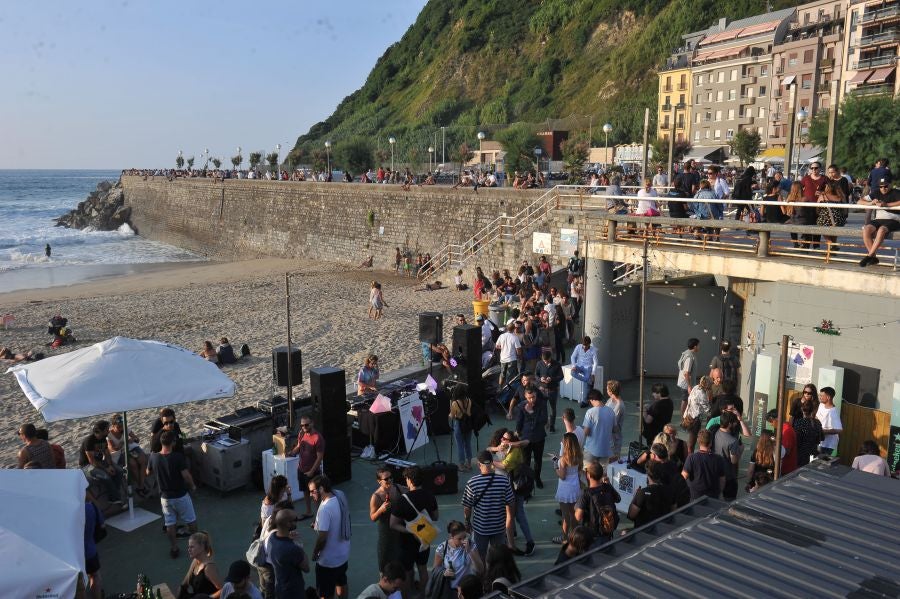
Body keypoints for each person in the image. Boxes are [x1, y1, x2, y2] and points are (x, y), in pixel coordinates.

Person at [147, 430, 198, 558]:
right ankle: (197, 546)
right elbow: (186, 475)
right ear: (173, 442)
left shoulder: (153, 456)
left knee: (170, 524)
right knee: (191, 521)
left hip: (165, 498)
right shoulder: (178, 457)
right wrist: (192, 485)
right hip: (180, 495)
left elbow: (148, 472)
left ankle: (174, 548)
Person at [390, 466, 439, 595]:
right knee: (423, 569)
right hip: (424, 539)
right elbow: (435, 517)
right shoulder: (430, 495)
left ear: (410, 480)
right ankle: (423, 595)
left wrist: (411, 530)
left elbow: (393, 524)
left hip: (406, 544)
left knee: (406, 572)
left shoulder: (402, 500)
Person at [461, 451, 515, 561]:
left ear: (478, 464)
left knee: (480, 557)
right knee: (499, 558)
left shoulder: (472, 483)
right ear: (492, 463)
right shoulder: (504, 481)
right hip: (499, 528)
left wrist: (467, 521)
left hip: (481, 529)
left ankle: (484, 576)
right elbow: (511, 505)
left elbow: (467, 507)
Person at [309, 475, 352, 599]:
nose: (311, 494)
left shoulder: (325, 509)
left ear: (321, 488)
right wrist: (318, 525)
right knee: (341, 582)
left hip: (328, 561)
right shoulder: (339, 495)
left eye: (312, 491)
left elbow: (322, 538)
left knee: (325, 594)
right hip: (342, 555)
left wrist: (315, 553)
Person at [432, 521, 484, 599]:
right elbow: (434, 571)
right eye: (459, 539)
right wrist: (444, 573)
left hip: (468, 589)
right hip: (451, 590)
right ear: (451, 537)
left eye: (464, 537)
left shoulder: (471, 545)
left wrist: (469, 551)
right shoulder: (442, 548)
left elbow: (481, 569)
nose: (463, 541)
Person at [268, 508, 310, 599]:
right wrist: (299, 545)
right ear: (288, 524)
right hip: (293, 592)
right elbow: (306, 568)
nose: (297, 521)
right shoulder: (292, 549)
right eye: (295, 520)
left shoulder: (272, 538)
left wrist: (289, 539)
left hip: (280, 588)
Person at [857, 178, 900, 267]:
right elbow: (859, 201)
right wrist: (871, 203)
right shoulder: (876, 192)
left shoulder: (896, 192)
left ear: (890, 185)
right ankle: (873, 257)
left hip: (894, 220)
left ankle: (869, 256)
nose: (883, 188)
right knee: (866, 229)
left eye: (885, 186)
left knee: (881, 230)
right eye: (881, 186)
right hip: (878, 219)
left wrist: (886, 205)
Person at [79, 420, 124, 504]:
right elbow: (91, 461)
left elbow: (107, 454)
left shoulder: (103, 438)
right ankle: (116, 498)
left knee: (120, 471)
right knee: (106, 477)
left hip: (100, 462)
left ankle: (114, 496)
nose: (108, 431)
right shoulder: (89, 441)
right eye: (107, 429)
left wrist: (110, 465)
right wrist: (106, 468)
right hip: (87, 466)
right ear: (100, 431)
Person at [574, 461, 620, 542]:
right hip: (607, 530)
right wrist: (609, 484)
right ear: (602, 475)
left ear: (588, 475)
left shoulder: (586, 493)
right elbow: (618, 499)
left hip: (592, 534)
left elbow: (578, 516)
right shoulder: (607, 487)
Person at [289, 416, 325, 519]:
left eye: (306, 425)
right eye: (302, 425)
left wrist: (311, 471)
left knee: (316, 496)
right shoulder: (302, 433)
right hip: (301, 469)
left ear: (312, 423)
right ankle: (309, 512)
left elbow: (319, 458)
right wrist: (291, 453)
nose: (304, 427)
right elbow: (299, 446)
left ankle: (319, 518)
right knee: (305, 491)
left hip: (313, 472)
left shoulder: (318, 438)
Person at [369, 468, 404, 573]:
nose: (390, 480)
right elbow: (372, 517)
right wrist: (381, 510)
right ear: (379, 481)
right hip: (386, 533)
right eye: (386, 479)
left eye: (391, 477)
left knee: (400, 560)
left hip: (400, 530)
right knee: (385, 563)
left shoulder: (397, 488)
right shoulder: (376, 497)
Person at [513, 387, 548, 488]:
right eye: (529, 398)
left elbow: (544, 420)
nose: (531, 400)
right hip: (525, 438)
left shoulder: (542, 404)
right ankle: (528, 482)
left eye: (533, 397)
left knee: (538, 460)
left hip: (539, 437)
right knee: (526, 461)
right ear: (525, 396)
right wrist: (518, 433)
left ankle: (537, 478)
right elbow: (519, 422)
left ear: (536, 395)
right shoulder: (521, 406)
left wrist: (531, 412)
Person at [553, 432, 583, 545]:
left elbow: (562, 476)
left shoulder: (564, 459)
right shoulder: (579, 455)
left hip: (565, 489)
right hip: (575, 487)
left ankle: (565, 539)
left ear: (566, 444)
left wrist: (555, 464)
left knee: (565, 516)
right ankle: (575, 536)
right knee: (573, 513)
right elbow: (579, 471)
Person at [107, 414, 148, 495]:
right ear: (113, 426)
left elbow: (137, 439)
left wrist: (132, 439)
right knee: (133, 464)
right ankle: (141, 486)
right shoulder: (109, 434)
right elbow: (112, 448)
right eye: (118, 427)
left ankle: (141, 486)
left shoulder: (125, 429)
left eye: (122, 426)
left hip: (130, 447)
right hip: (120, 452)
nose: (121, 428)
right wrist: (121, 443)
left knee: (142, 460)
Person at [681, 429, 726, 500]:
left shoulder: (691, 458)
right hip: (712, 497)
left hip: (695, 497)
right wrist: (719, 492)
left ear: (698, 442)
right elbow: (722, 480)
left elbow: (684, 476)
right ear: (711, 443)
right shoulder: (718, 459)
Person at [627, 461, 673, 528]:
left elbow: (631, 515)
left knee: (624, 532)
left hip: (644, 533)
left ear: (648, 475)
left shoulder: (642, 493)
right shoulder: (669, 490)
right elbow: (673, 510)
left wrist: (635, 497)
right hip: (664, 530)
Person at [180, 532, 223, 598]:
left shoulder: (209, 568)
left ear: (202, 547)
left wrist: (209, 598)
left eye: (192, 547)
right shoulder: (195, 561)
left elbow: (223, 589)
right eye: (188, 547)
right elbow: (185, 583)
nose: (189, 550)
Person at [582, 389, 617, 468]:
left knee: (587, 473)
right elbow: (615, 430)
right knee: (603, 475)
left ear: (592, 399)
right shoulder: (611, 411)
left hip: (591, 449)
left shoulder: (590, 412)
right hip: (605, 449)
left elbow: (586, 431)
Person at [714, 410, 745, 501]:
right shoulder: (732, 441)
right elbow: (734, 461)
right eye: (734, 422)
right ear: (729, 424)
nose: (736, 424)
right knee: (730, 502)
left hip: (717, 472)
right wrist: (741, 449)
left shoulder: (717, 432)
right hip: (729, 476)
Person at [535, 350, 563, 432]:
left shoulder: (557, 364)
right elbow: (536, 374)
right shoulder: (539, 363)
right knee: (541, 408)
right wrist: (540, 379)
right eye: (544, 361)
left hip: (552, 390)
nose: (546, 362)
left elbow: (561, 376)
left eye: (547, 361)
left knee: (552, 408)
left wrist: (552, 379)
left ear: (551, 357)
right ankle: (543, 424)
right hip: (542, 389)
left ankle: (552, 425)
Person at [682, 375, 712, 453]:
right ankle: (690, 457)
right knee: (692, 441)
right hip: (695, 419)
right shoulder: (702, 394)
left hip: (688, 416)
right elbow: (708, 410)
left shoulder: (695, 387)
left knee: (691, 439)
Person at [449, 384, 474, 471]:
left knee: (460, 445)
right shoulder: (469, 400)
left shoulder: (455, 403)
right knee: (468, 444)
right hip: (468, 425)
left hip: (459, 425)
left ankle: (461, 465)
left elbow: (452, 416)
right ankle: (469, 464)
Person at [765, 409, 797, 475]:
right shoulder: (783, 428)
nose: (771, 424)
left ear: (777, 419)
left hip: (786, 469)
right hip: (784, 467)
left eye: (771, 421)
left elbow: (786, 451)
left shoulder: (786, 430)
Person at [84, 495, 104, 599]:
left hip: (73, 555)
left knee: (78, 585)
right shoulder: (91, 508)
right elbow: (102, 524)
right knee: (95, 576)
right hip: (90, 552)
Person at [792, 400, 823, 467]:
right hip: (814, 454)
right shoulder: (817, 423)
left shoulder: (799, 422)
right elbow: (821, 438)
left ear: (801, 409)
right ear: (814, 410)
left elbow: (796, 440)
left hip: (801, 454)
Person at [570, 336, 599, 407]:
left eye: (586, 346)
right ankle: (587, 380)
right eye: (583, 346)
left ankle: (585, 401)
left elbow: (595, 362)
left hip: (588, 367)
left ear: (590, 344)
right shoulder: (578, 347)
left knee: (588, 380)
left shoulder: (593, 350)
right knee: (572, 372)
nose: (584, 347)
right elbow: (573, 357)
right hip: (579, 366)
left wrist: (593, 373)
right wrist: (573, 366)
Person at [676, 338, 700, 419]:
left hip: (685, 382)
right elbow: (686, 373)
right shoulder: (689, 357)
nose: (699, 347)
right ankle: (683, 418)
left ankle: (686, 416)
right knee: (685, 400)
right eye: (698, 345)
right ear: (695, 346)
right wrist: (689, 386)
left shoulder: (687, 353)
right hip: (686, 383)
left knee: (687, 399)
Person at [816, 386, 842, 456]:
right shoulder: (821, 405)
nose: (819, 397)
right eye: (819, 395)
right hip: (819, 441)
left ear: (828, 397)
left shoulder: (833, 412)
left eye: (821, 395)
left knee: (822, 465)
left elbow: (839, 430)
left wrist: (823, 431)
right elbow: (817, 417)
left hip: (828, 445)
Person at [495, 322, 523, 388]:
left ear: (507, 328)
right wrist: (519, 356)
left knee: (502, 373)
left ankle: (499, 387)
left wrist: (502, 348)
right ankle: (508, 388)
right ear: (514, 329)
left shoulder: (502, 336)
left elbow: (497, 346)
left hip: (503, 358)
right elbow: (518, 349)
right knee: (509, 375)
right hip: (512, 359)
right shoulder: (514, 337)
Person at [606, 380, 626, 461]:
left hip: (614, 439)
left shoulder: (619, 405)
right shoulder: (610, 400)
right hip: (609, 437)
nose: (606, 390)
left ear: (611, 391)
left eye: (607, 389)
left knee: (612, 461)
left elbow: (612, 422)